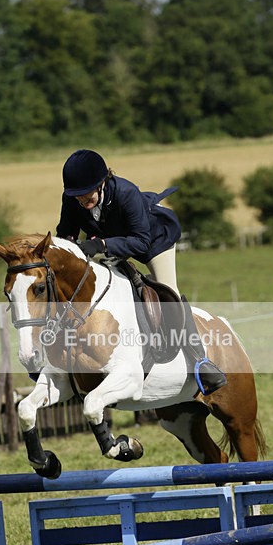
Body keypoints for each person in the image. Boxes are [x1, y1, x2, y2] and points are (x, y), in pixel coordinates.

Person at [56, 149, 227, 395]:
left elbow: (140, 242)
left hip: (152, 241)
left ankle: (201, 361)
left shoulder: (126, 193)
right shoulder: (72, 199)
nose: (82, 200)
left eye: (86, 193)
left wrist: (102, 245)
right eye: (77, 196)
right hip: (112, 243)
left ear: (102, 182)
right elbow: (66, 232)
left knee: (169, 293)